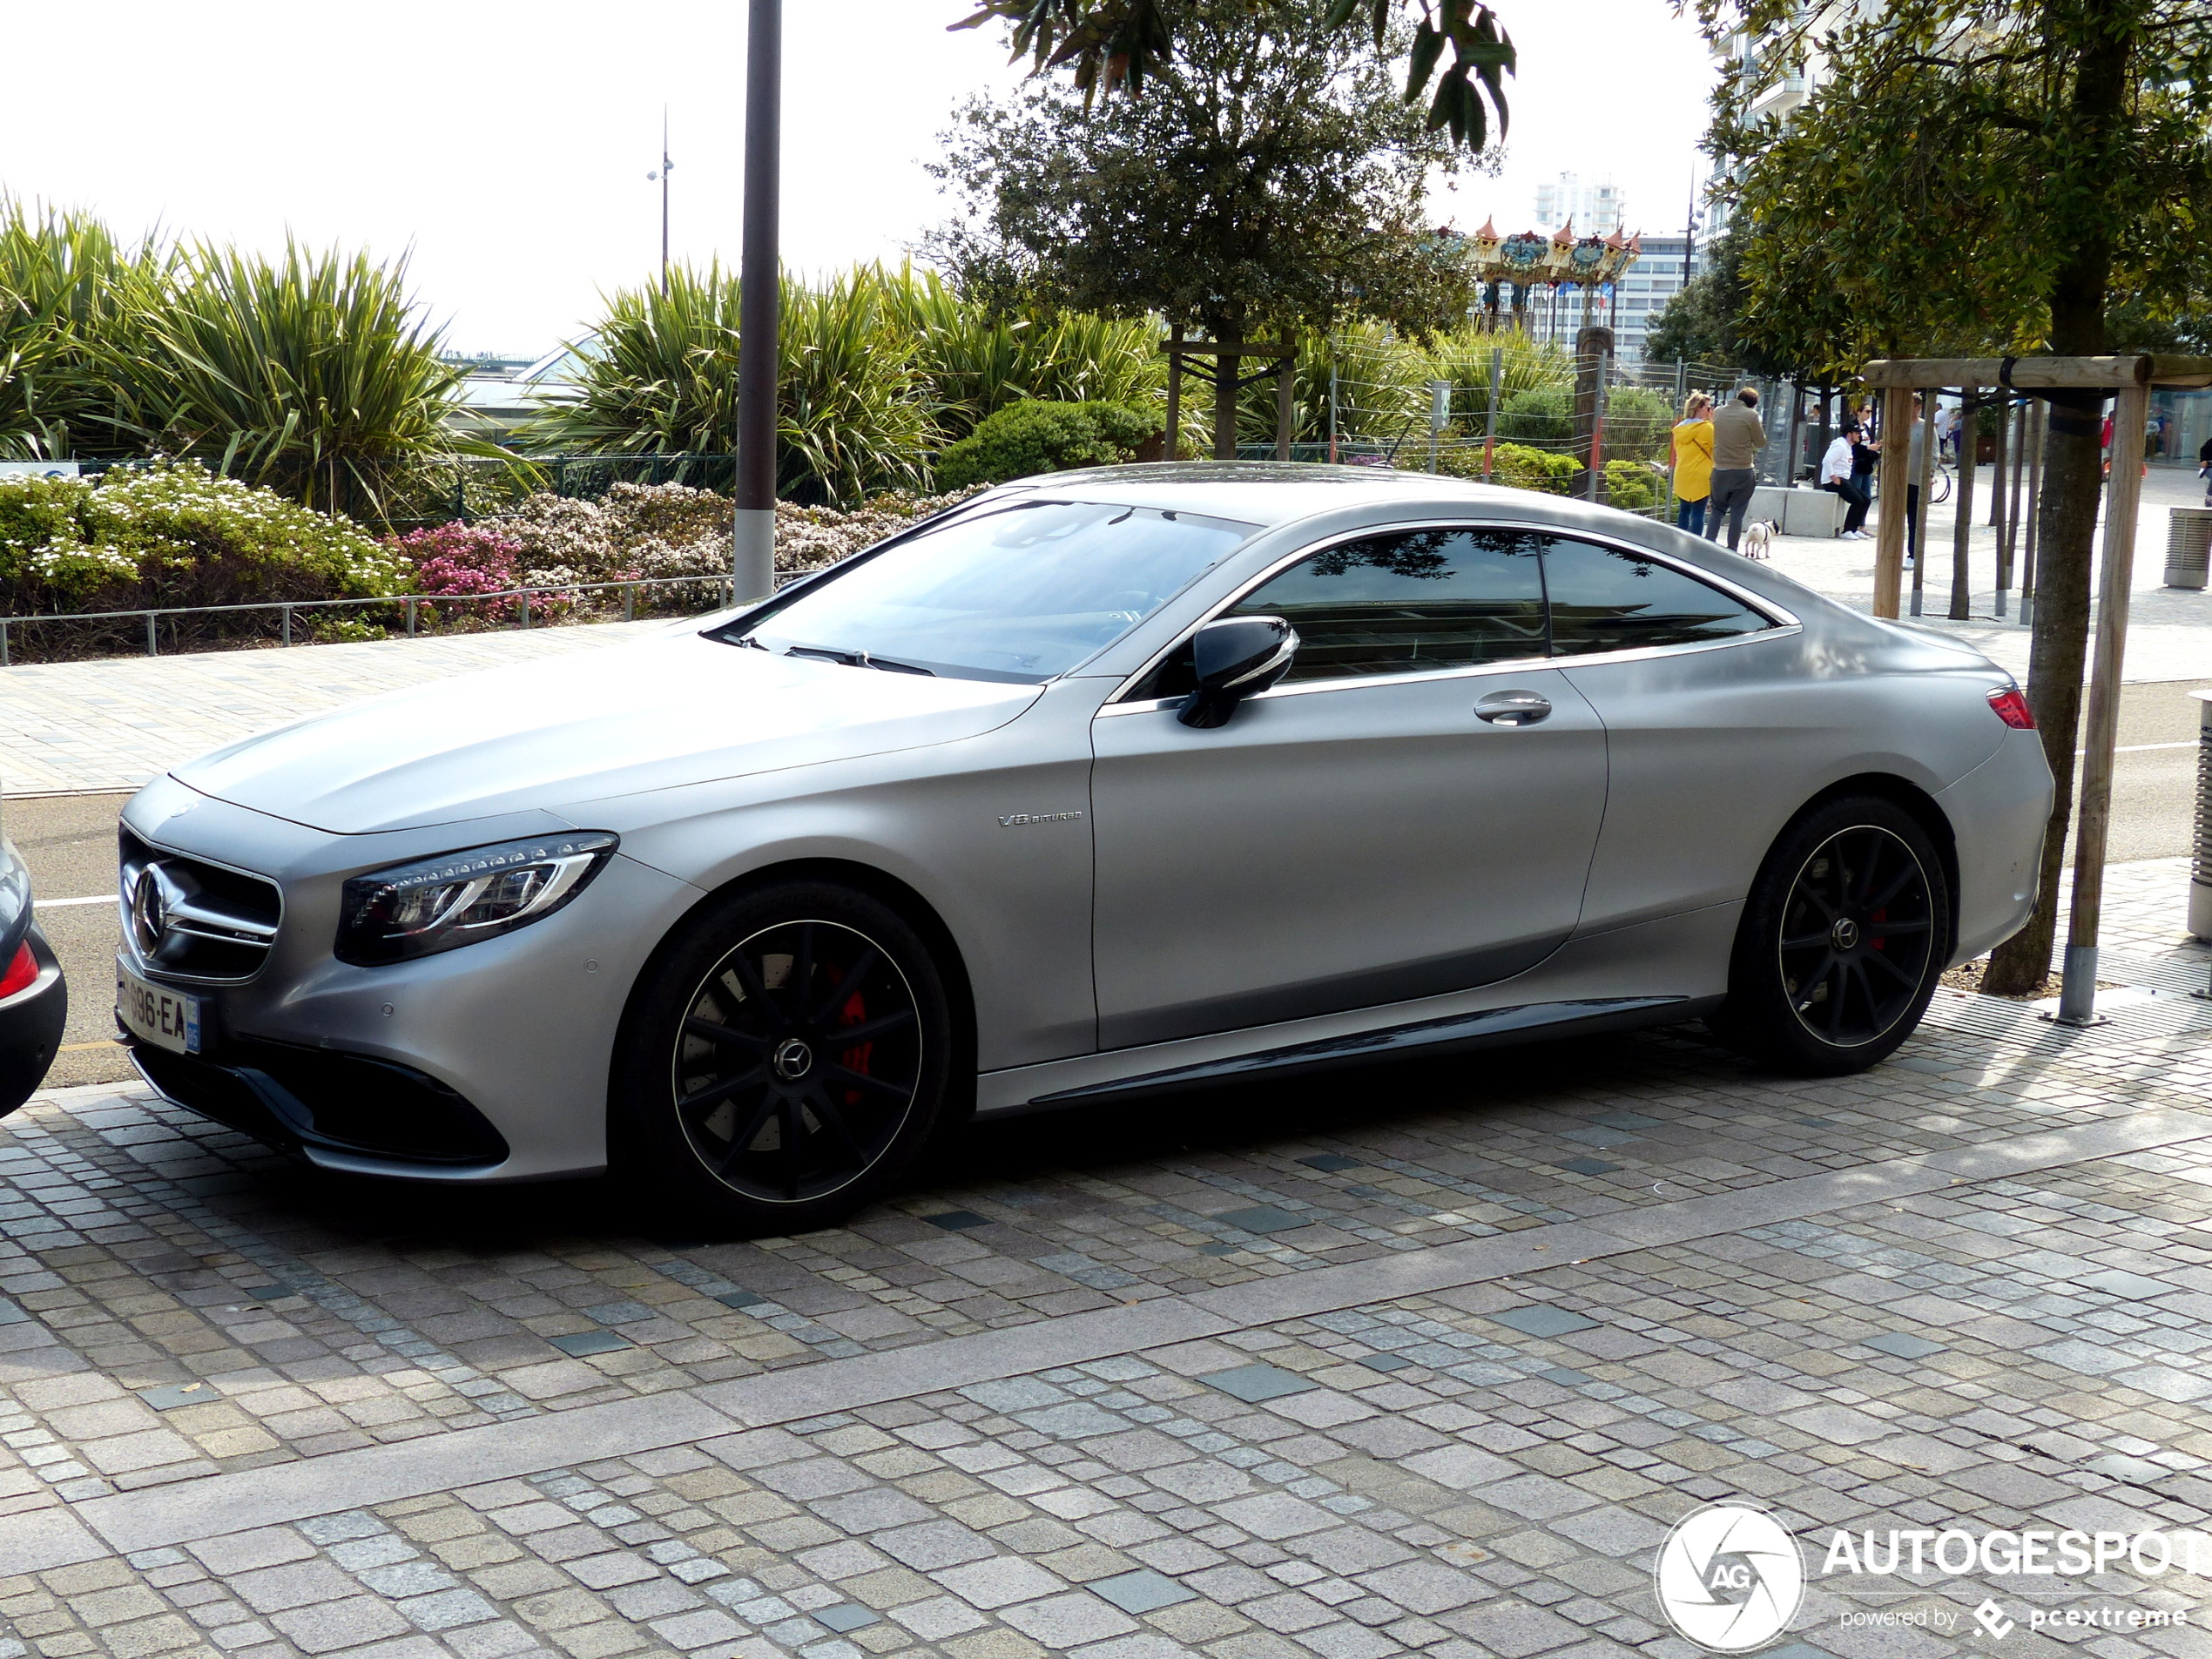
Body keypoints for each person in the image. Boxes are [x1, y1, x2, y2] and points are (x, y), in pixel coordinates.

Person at [1703, 386, 1766, 550]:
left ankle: (1708, 545)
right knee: (1737, 513)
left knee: (1717, 510)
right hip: (1743, 470)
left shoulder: (1717, 412)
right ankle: (1732, 550)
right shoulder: (1751, 415)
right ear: (1752, 405)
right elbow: (1760, 442)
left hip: (1720, 470)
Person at [1669, 392, 1715, 536]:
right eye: (1708, 408)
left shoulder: (1679, 430)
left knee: (1684, 510)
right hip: (1701, 475)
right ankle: (1695, 545)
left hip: (1682, 473)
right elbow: (1717, 446)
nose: (1710, 411)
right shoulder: (1706, 428)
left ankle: (1680, 541)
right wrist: (1713, 423)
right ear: (1699, 408)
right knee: (1698, 513)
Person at [1821, 427, 1871, 538]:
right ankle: (1847, 530)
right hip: (1833, 481)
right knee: (1857, 501)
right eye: (1857, 433)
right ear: (1849, 434)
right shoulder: (1840, 446)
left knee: (1866, 500)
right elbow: (1827, 461)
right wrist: (1834, 478)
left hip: (1844, 480)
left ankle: (1854, 528)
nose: (1859, 435)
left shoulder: (1848, 447)